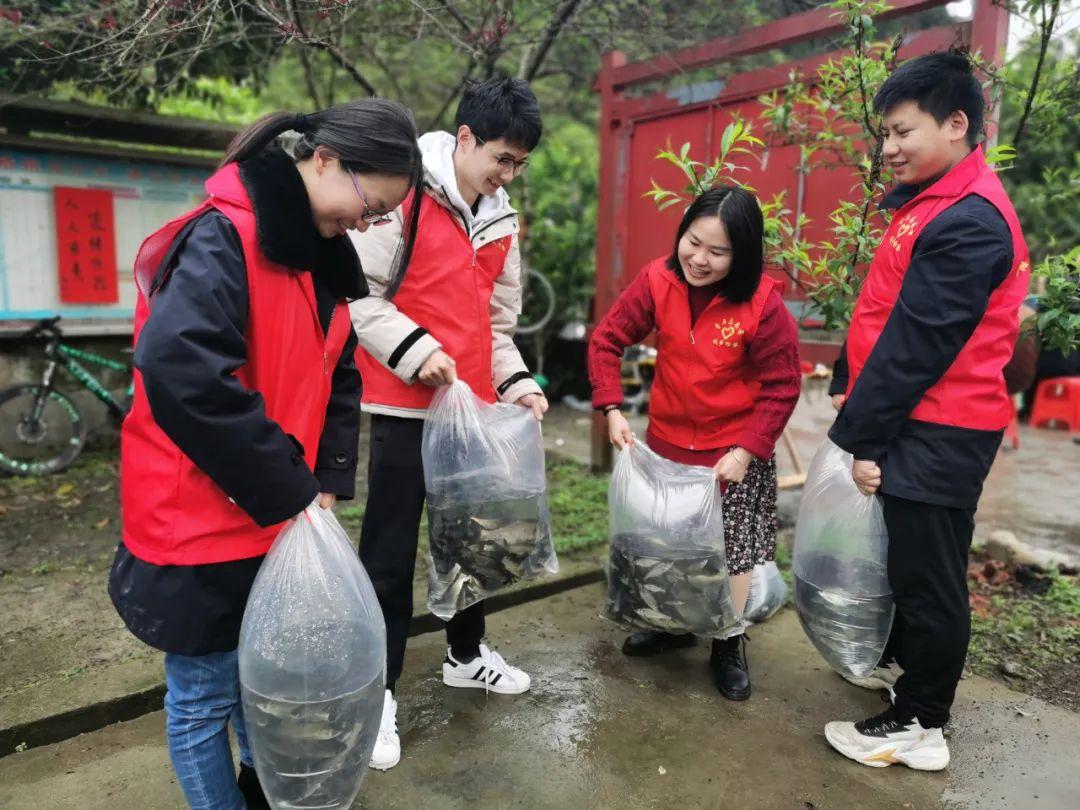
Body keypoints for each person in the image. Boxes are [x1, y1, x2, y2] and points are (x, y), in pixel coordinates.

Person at [108, 100, 423, 808]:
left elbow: (340, 371)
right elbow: (181, 370)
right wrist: (288, 486)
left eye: (379, 218)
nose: (366, 224)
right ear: (323, 160)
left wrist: (327, 480)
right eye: (368, 205)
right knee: (202, 694)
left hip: (274, 510)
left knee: (260, 682)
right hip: (196, 518)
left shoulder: (323, 260)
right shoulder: (223, 238)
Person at [823, 52, 1030, 771]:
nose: (889, 148)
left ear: (957, 124)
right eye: (885, 133)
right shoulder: (938, 200)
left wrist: (864, 438)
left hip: (939, 426)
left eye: (902, 131)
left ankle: (921, 724)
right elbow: (888, 317)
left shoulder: (971, 220)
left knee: (928, 578)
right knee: (912, 566)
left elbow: (917, 348)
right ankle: (907, 681)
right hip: (924, 419)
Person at [347, 76, 547, 771]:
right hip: (402, 407)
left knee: (473, 545)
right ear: (464, 139)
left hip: (470, 413)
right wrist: (417, 350)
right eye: (500, 158)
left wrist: (516, 381)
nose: (506, 175)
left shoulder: (501, 219)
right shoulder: (401, 196)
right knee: (388, 555)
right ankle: (380, 693)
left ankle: (465, 656)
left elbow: (497, 324)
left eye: (518, 165)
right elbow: (359, 298)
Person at [588, 184, 801, 701]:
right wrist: (612, 409)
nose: (699, 260)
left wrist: (746, 451)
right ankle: (673, 624)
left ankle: (728, 643)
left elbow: (782, 386)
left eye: (718, 251)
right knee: (670, 546)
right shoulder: (658, 280)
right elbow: (607, 340)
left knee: (733, 555)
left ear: (742, 254)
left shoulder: (763, 305)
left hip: (732, 454)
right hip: (666, 446)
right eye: (693, 241)